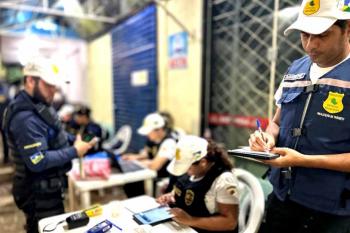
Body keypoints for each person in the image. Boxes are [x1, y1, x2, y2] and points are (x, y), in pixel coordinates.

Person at [249, 1, 350, 233]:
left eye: (322, 35)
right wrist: (267, 139)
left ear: (348, 29)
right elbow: (275, 122)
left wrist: (302, 160)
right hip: (282, 197)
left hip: (331, 211)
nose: (310, 45)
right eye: (304, 35)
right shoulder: (295, 70)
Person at [2, 58, 97, 233]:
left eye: (55, 86)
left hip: (49, 186)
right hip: (37, 194)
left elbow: (53, 133)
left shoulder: (39, 105)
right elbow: (38, 160)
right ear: (31, 80)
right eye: (49, 85)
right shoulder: (25, 119)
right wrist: (75, 150)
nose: (54, 91)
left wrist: (72, 139)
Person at [157, 135, 238, 233]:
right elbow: (186, 190)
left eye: (187, 166)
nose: (185, 170)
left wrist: (190, 220)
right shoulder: (193, 172)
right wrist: (171, 196)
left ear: (203, 162)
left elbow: (230, 223)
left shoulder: (224, 180)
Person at [122, 112, 178, 196]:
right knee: (130, 184)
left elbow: (155, 165)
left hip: (164, 178)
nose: (147, 135)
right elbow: (147, 154)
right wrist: (133, 157)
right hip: (152, 173)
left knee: (134, 181)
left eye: (149, 132)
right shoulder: (153, 139)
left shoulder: (169, 143)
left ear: (159, 129)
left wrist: (137, 163)